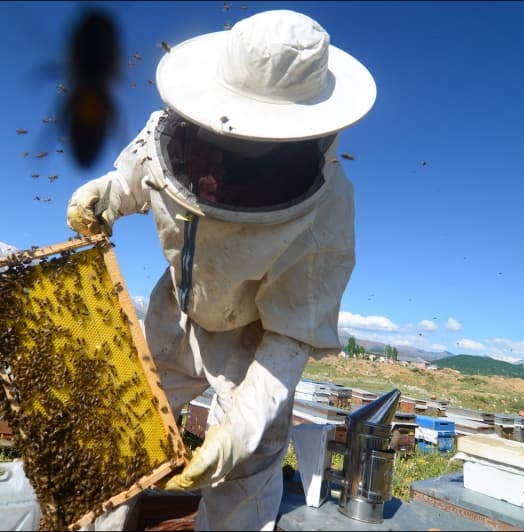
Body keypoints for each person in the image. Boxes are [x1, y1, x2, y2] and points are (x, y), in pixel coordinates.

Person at [66, 9, 376, 531]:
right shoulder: (174, 130)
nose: (238, 142)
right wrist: (107, 194)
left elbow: (291, 336)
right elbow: (136, 175)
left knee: (247, 470)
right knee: (122, 430)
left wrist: (239, 432)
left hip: (251, 342)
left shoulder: (328, 210)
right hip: (175, 313)